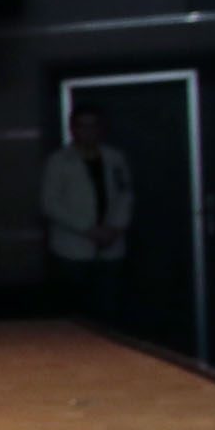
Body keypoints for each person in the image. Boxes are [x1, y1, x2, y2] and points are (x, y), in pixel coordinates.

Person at [40, 104, 132, 323]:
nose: (88, 131)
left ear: (101, 128)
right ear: (73, 129)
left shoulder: (115, 158)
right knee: (74, 312)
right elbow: (50, 203)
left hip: (111, 246)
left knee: (110, 310)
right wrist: (88, 229)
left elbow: (125, 195)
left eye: (93, 125)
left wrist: (114, 228)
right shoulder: (58, 161)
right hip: (72, 249)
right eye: (82, 126)